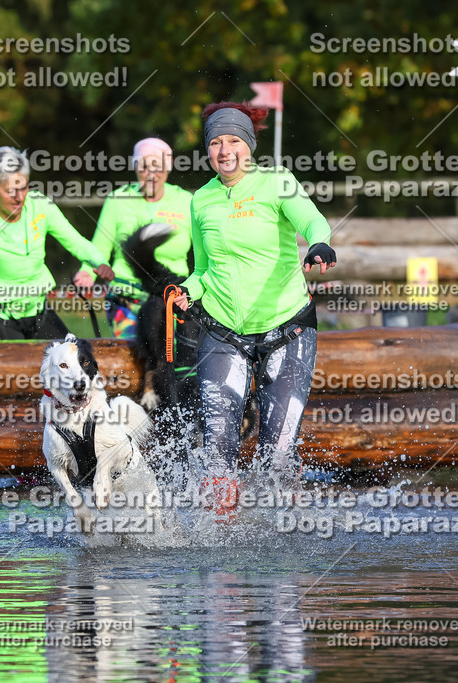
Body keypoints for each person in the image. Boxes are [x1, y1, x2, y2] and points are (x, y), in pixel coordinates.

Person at [173, 102, 337, 518]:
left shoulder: (276, 182)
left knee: (277, 455)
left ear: (249, 145)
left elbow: (315, 223)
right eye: (215, 142)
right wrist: (186, 291)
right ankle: (220, 554)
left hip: (287, 331)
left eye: (233, 141)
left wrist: (319, 244)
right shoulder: (202, 200)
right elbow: (203, 270)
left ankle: (283, 548)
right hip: (223, 332)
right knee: (217, 451)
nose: (224, 150)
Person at [0, 146, 114, 345]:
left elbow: (76, 242)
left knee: (74, 361)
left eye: (24, 187)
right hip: (2, 320)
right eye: (10, 191)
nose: (19, 197)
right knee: (18, 374)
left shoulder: (40, 205)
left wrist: (100, 262)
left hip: (40, 314)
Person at [74, 138, 193, 339]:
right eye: (144, 167)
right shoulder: (117, 200)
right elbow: (101, 246)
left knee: (170, 361)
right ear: (136, 168)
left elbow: (204, 251)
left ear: (168, 168)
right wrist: (87, 272)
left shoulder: (186, 202)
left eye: (158, 167)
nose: (151, 175)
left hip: (170, 297)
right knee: (134, 360)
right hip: (125, 298)